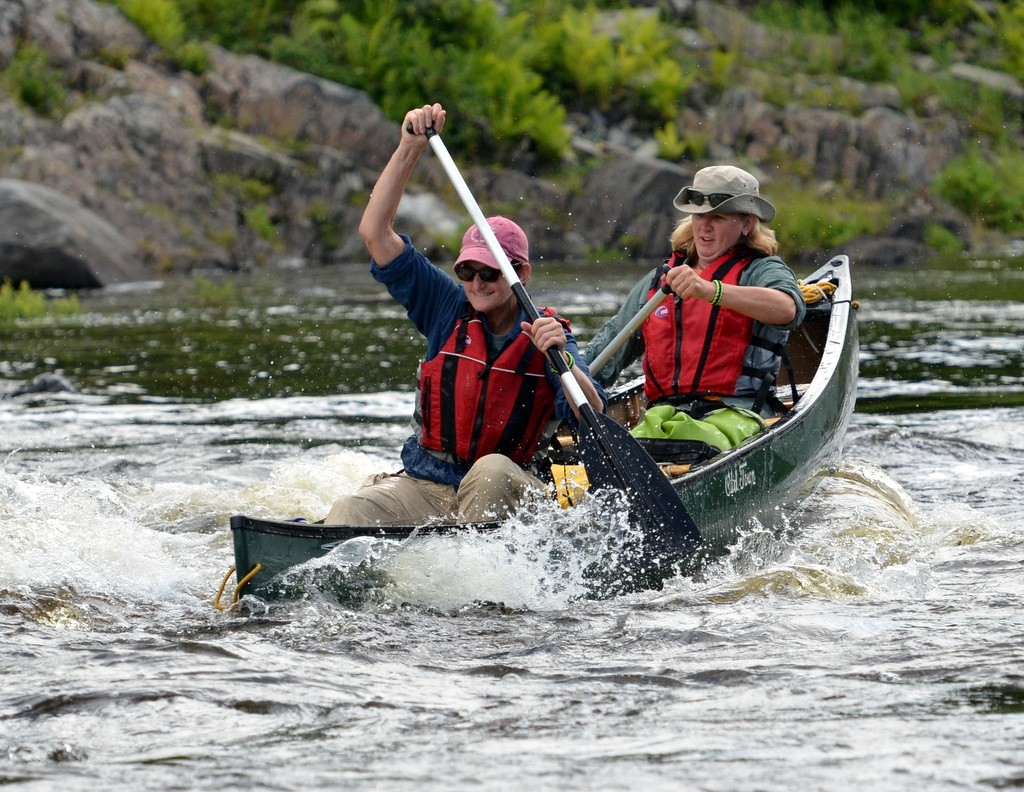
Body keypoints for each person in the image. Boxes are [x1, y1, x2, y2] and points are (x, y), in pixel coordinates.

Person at [325, 102, 607, 526]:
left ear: (521, 273)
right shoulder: (445, 306)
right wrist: (409, 147)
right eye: (467, 270)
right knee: (350, 511)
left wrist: (562, 358)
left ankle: (475, 584)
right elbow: (374, 234)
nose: (477, 281)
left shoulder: (548, 332)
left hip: (511, 487)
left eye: (490, 271)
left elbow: (595, 412)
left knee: (489, 471)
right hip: (427, 485)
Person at [583, 165, 806, 418]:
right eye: (699, 216)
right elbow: (602, 358)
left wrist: (711, 291)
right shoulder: (659, 282)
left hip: (738, 415)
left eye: (718, 218)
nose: (705, 227)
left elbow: (788, 309)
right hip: (662, 418)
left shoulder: (762, 269)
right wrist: (564, 361)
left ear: (747, 223)